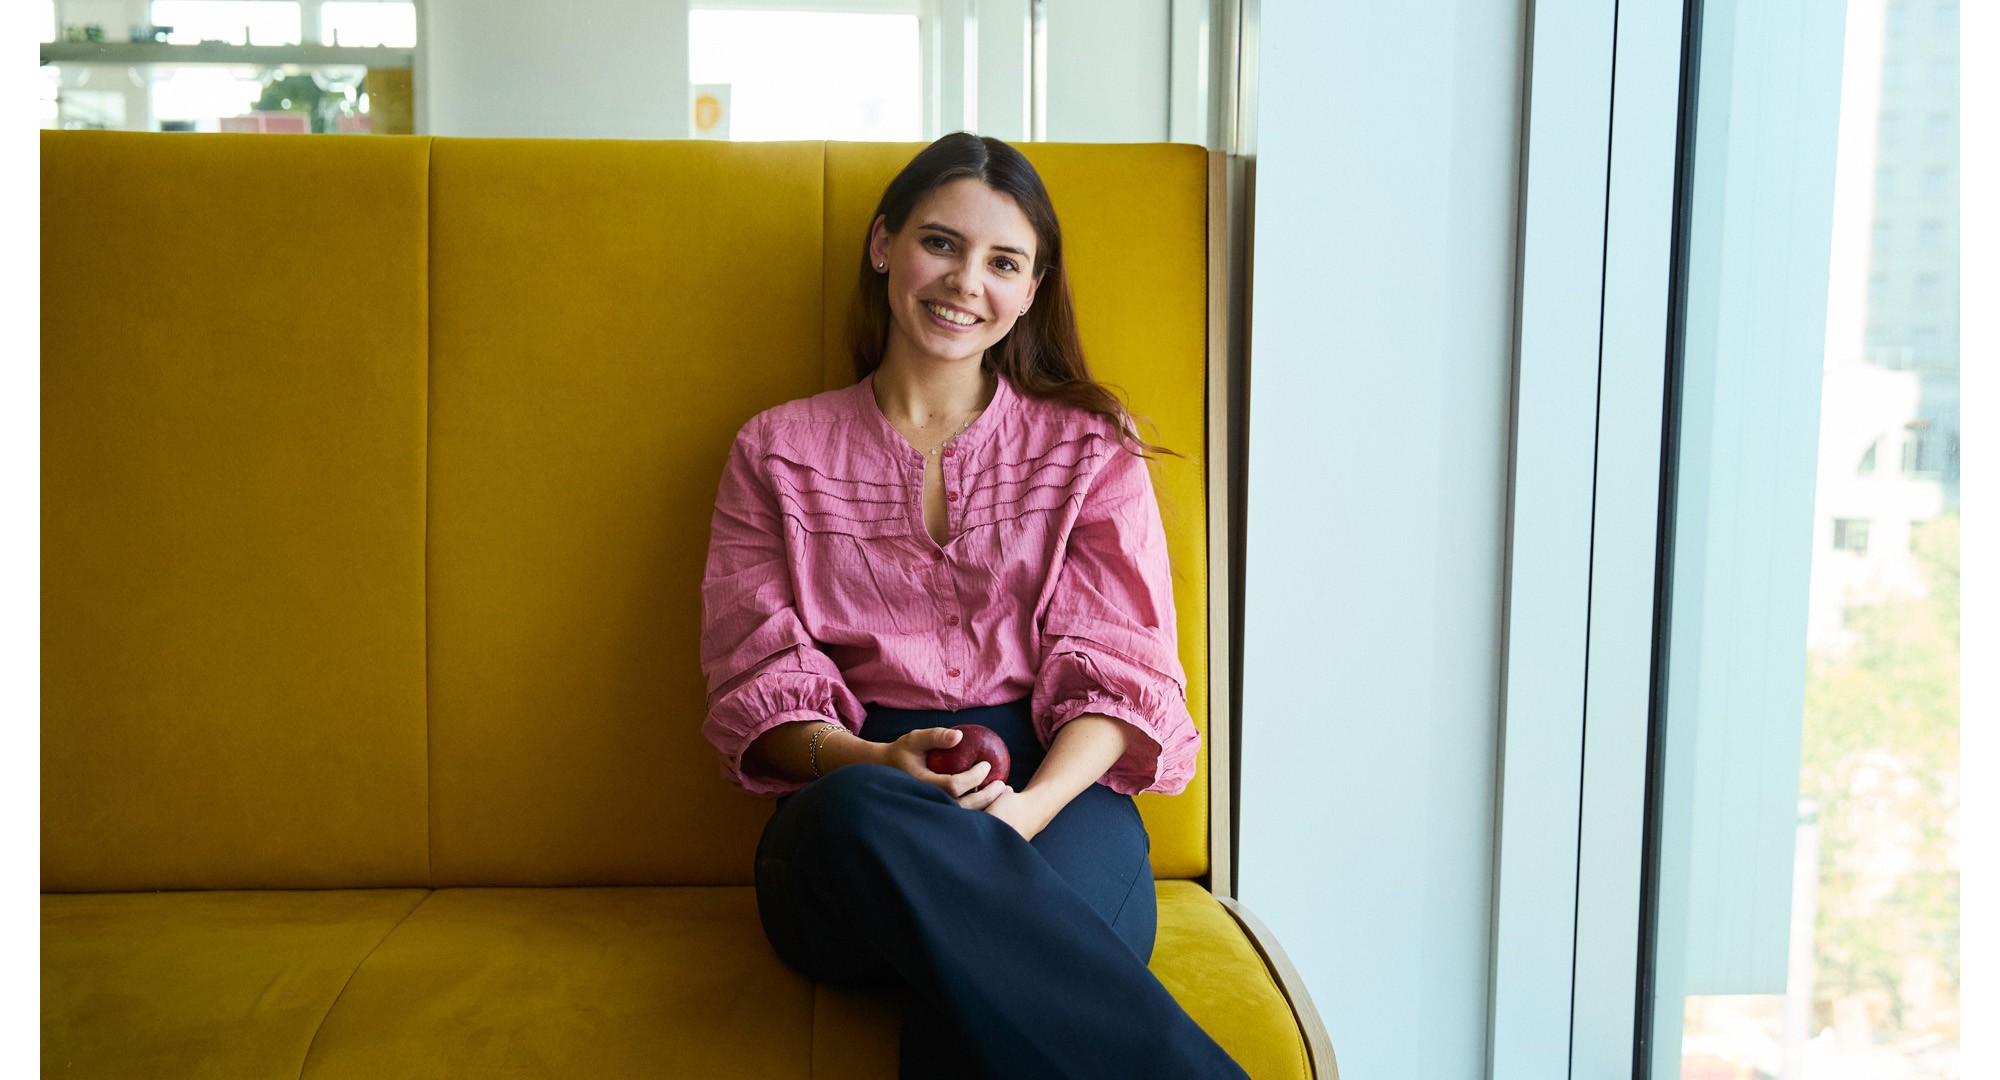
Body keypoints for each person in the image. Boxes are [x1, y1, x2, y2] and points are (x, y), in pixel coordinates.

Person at [698, 132, 1249, 1080]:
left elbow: (1122, 671)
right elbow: (757, 682)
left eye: (1003, 262)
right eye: (940, 243)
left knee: (993, 975)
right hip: (857, 800)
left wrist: (1023, 817)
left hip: (1054, 789)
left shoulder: (1090, 449)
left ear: (1032, 290)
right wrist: (878, 762)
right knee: (867, 820)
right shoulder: (774, 451)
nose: (965, 282)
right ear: (884, 245)